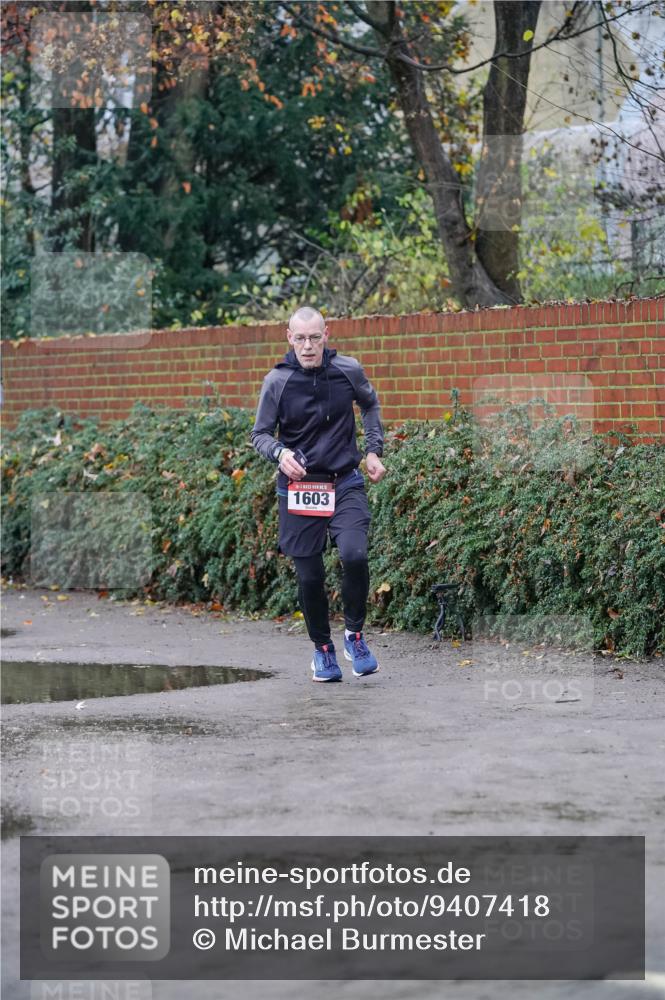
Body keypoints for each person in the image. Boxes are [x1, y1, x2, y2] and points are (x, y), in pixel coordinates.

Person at [251, 305, 386, 682]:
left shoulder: (347, 370)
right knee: (310, 577)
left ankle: (354, 637)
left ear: (326, 335)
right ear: (288, 337)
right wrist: (280, 453)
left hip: (344, 480)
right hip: (300, 487)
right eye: (300, 338)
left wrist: (373, 450)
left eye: (314, 337)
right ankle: (322, 651)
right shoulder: (276, 382)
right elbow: (259, 434)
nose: (307, 346)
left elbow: (370, 404)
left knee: (354, 555)